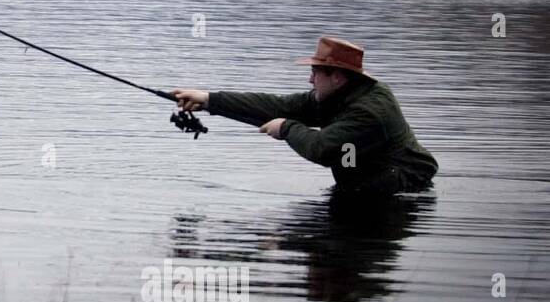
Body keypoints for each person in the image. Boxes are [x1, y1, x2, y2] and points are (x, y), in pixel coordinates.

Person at [172, 36, 438, 195]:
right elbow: (279, 106)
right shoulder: (341, 93)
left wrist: (286, 128)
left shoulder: (369, 110)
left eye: (315, 73)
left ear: (336, 77)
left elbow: (323, 150)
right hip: (370, 186)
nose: (310, 79)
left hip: (402, 191)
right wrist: (209, 100)